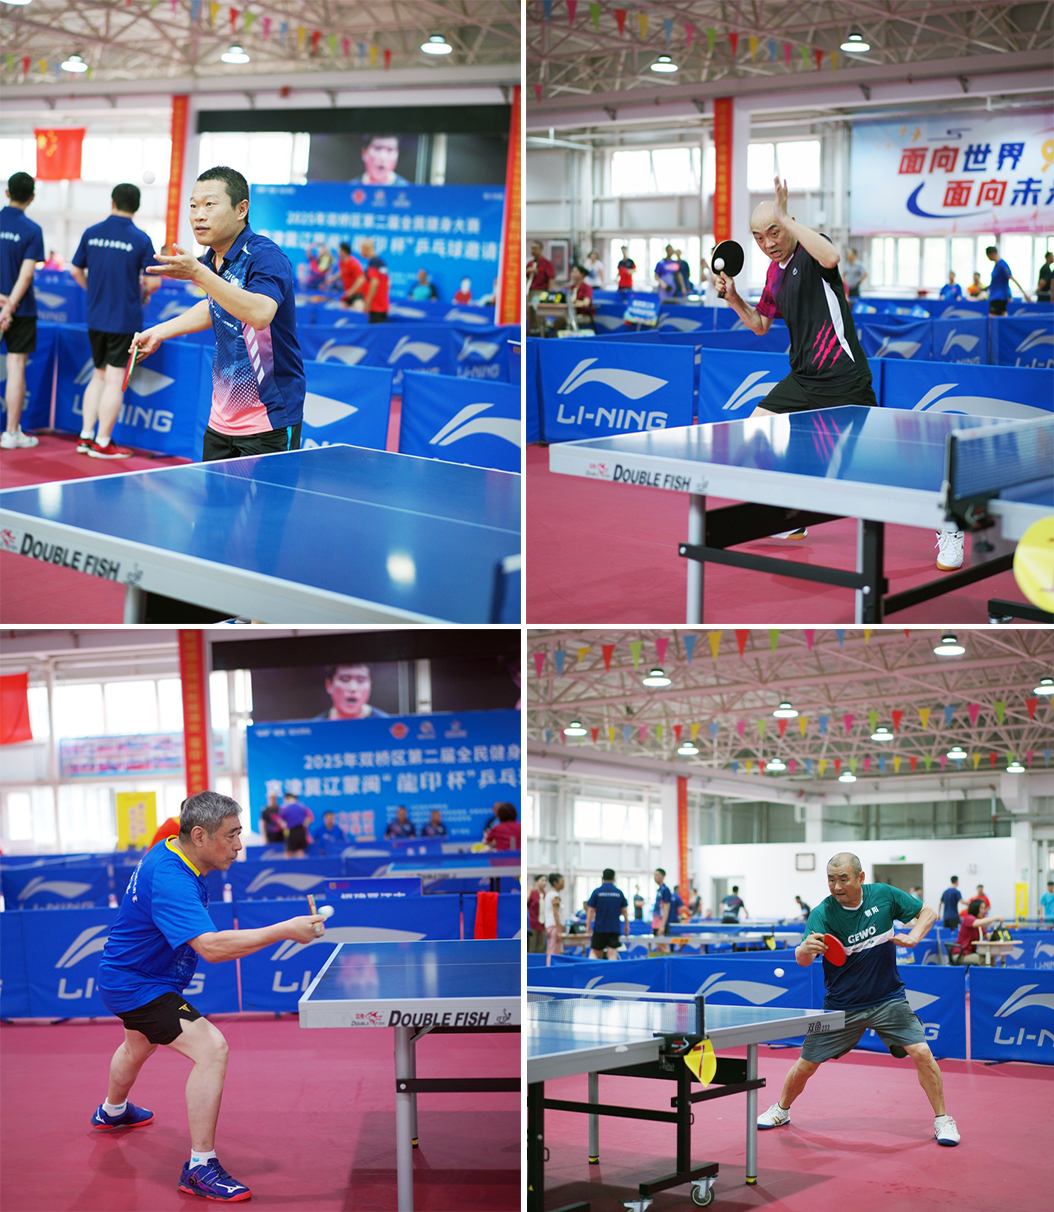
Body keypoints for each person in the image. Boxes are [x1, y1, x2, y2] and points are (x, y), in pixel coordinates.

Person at [94, 790, 325, 1201]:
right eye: (231, 835)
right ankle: (200, 1168)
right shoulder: (171, 878)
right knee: (212, 1049)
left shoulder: (175, 839)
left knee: (137, 1047)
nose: (239, 845)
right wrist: (284, 930)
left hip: (138, 974)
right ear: (199, 836)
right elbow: (212, 948)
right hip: (137, 984)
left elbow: (186, 810)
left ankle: (112, 1110)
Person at [757, 854, 958, 1147]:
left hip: (888, 999)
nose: (836, 886)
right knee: (806, 1065)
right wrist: (804, 949)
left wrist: (914, 936)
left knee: (922, 1053)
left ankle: (943, 1119)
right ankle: (781, 1109)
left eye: (843, 879)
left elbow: (927, 912)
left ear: (860, 878)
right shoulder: (823, 913)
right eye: (831, 879)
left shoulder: (884, 896)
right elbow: (803, 960)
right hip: (842, 1005)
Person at [134, 166, 305, 462]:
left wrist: (199, 274)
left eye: (209, 205)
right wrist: (160, 332)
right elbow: (215, 304)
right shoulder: (212, 258)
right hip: (221, 419)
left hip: (269, 420)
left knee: (268, 496)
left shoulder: (266, 257)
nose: (199, 215)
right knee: (216, 495)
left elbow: (260, 313)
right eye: (193, 206)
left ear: (241, 209)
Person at [69, 183, 161, 458]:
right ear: (137, 206)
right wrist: (141, 294)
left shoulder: (92, 232)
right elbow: (154, 282)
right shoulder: (141, 239)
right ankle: (103, 442)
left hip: (96, 317)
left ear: (112, 202)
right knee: (114, 380)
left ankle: (86, 437)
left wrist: (92, 290)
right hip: (123, 319)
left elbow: (75, 270)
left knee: (98, 375)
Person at [0, 171, 44, 449]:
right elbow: (26, 275)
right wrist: (9, 308)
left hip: (7, 307)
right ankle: (11, 433)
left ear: (7, 193)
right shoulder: (32, 230)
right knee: (16, 367)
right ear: (31, 197)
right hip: (21, 310)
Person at [314, 662, 389, 720]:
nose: (353, 688)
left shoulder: (386, 725)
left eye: (361, 680)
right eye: (345, 680)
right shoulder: (314, 728)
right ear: (329, 685)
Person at [586, 869, 629, 960]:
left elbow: (590, 910)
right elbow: (624, 911)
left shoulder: (597, 892)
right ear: (614, 878)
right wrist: (627, 926)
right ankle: (611, 970)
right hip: (614, 928)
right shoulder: (618, 893)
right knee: (612, 953)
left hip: (599, 928)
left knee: (595, 952)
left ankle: (591, 969)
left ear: (602, 878)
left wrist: (588, 925)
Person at [953, 898, 1004, 964]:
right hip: (960, 954)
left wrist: (992, 935)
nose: (984, 911)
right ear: (975, 908)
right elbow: (979, 922)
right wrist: (996, 918)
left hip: (971, 953)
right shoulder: (969, 918)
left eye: (984, 908)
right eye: (981, 908)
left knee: (991, 959)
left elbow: (986, 936)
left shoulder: (979, 924)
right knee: (985, 960)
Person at [985, 244, 1030, 315]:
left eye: (988, 256)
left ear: (992, 254)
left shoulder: (1002, 265)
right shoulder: (997, 265)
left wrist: (1024, 294)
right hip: (996, 296)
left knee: (992, 319)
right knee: (1003, 316)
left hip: (998, 298)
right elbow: (998, 282)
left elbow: (1011, 278)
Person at [358, 237, 390, 323]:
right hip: (382, 305)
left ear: (366, 248)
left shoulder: (374, 263)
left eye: (361, 249)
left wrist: (368, 302)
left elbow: (374, 282)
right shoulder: (381, 262)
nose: (360, 252)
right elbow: (388, 283)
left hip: (376, 307)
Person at [337, 242, 366, 308]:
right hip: (347, 294)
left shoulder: (354, 264)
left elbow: (361, 279)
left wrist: (351, 291)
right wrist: (333, 278)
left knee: (359, 310)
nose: (338, 252)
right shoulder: (341, 262)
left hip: (357, 293)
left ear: (344, 252)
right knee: (340, 309)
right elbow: (343, 272)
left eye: (339, 250)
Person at [544, 872, 564, 963]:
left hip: (550, 925)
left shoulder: (548, 894)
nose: (563, 884)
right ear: (555, 883)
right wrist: (559, 931)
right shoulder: (555, 895)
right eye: (562, 881)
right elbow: (555, 913)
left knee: (551, 949)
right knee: (553, 951)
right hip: (554, 926)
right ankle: (550, 968)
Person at [652, 867, 673, 950]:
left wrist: (662, 926)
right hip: (656, 923)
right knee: (659, 946)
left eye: (657, 875)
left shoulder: (666, 890)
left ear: (663, 876)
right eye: (654, 875)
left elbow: (666, 909)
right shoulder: (659, 890)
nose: (655, 877)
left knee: (663, 946)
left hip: (661, 923)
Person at [526, 874, 547, 953]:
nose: (544, 883)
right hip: (533, 924)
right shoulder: (532, 894)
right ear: (536, 882)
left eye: (545, 881)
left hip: (543, 925)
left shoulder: (546, 895)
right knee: (531, 948)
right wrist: (529, 891)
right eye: (542, 880)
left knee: (541, 948)